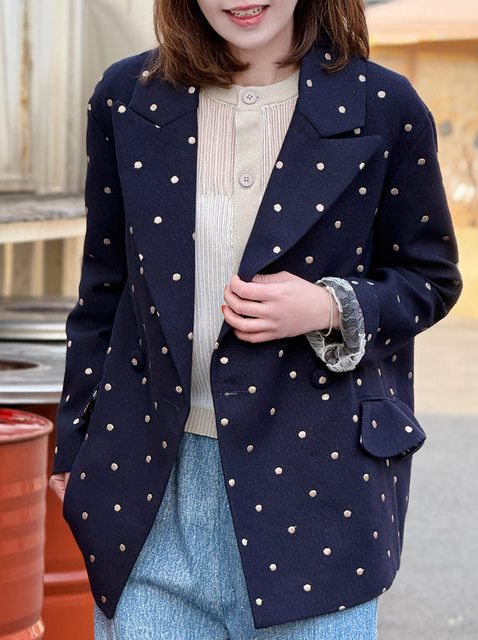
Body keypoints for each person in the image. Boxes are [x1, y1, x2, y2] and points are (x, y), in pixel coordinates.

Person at [50, 1, 462, 638]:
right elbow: (104, 291)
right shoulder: (126, 97)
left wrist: (328, 306)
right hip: (150, 487)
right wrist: (74, 447)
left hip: (321, 494)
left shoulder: (385, 104)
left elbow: (430, 277)